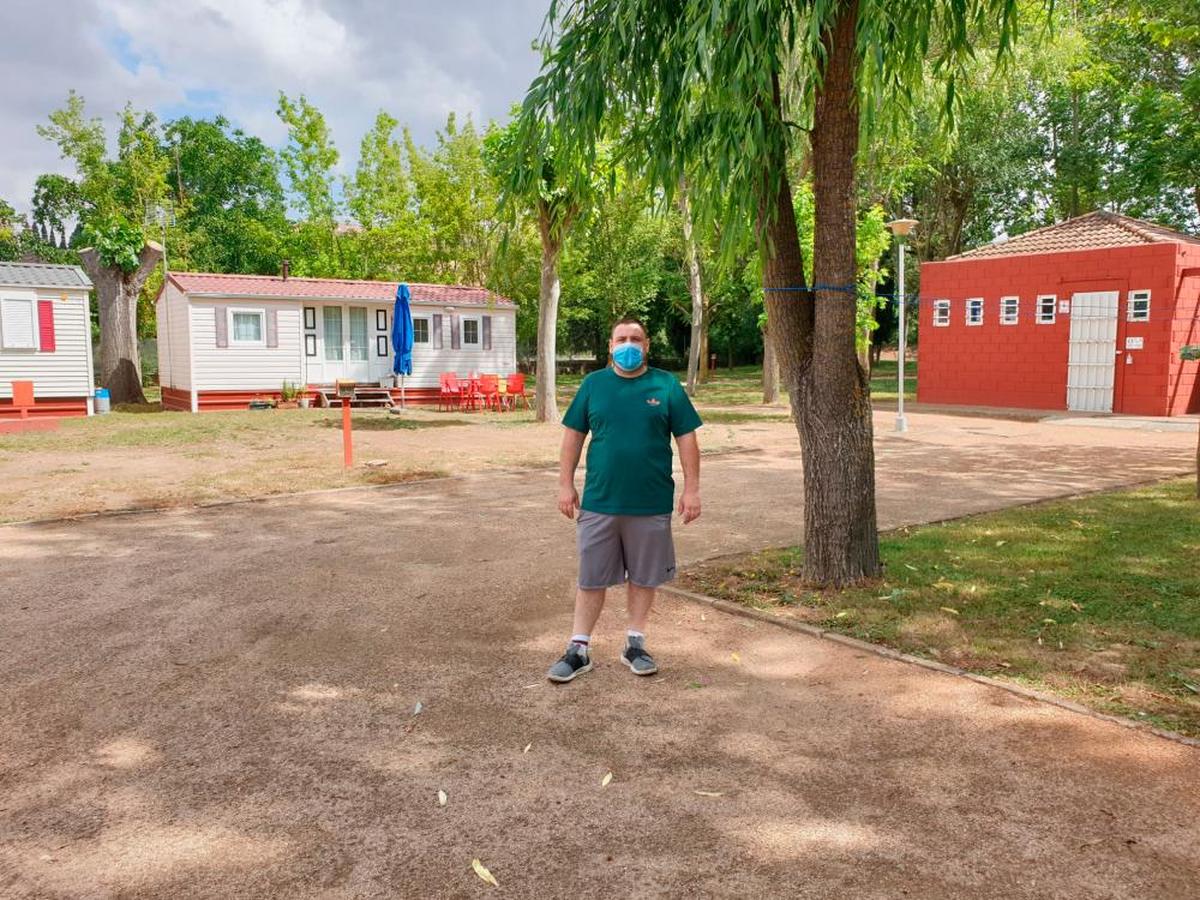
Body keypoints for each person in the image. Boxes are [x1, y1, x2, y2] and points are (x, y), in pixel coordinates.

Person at [547, 316, 702, 683]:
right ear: (611, 346)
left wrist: (692, 489)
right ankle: (578, 649)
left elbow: (687, 440)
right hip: (600, 502)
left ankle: (635, 643)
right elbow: (573, 437)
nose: (629, 344)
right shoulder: (593, 385)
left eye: (636, 338)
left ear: (647, 345)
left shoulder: (665, 385)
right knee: (591, 577)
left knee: (645, 576)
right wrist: (565, 485)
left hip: (650, 502)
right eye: (622, 338)